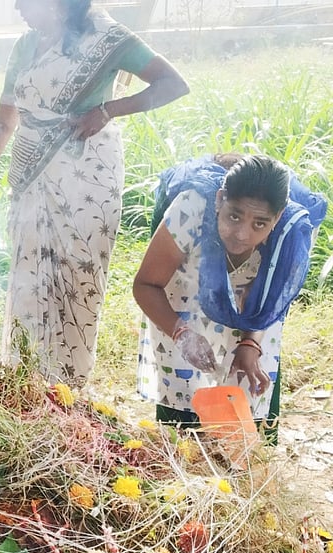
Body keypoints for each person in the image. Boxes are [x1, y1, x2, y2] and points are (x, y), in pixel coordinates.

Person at [0, 0, 189, 386]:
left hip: (86, 180)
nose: (16, 7)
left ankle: (67, 387)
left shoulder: (107, 37)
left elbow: (173, 84)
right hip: (32, 175)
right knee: (29, 281)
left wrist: (108, 110)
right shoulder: (26, 45)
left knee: (79, 279)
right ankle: (25, 382)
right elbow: (4, 121)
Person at [133, 154, 326, 433]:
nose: (242, 234)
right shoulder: (190, 209)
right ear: (219, 199)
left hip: (253, 306)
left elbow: (268, 303)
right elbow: (146, 284)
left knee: (250, 395)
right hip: (185, 281)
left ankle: (248, 446)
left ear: (277, 217)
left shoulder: (292, 234)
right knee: (184, 402)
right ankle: (183, 436)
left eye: (259, 224)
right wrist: (181, 333)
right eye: (234, 216)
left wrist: (251, 343)